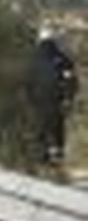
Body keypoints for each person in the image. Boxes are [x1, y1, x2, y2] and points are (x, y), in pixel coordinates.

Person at [28, 27, 78, 165]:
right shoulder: (63, 59)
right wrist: (68, 99)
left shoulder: (32, 58)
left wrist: (30, 99)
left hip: (38, 101)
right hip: (57, 101)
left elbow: (26, 81)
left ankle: (40, 160)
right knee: (57, 130)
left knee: (40, 131)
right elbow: (71, 81)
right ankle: (56, 160)